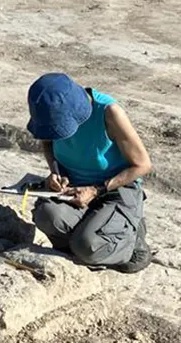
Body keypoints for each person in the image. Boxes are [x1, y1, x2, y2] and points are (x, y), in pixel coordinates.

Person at [26, 73, 153, 273]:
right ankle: (90, 241)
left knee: (88, 246)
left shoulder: (110, 112)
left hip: (115, 189)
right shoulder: (49, 110)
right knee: (46, 216)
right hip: (73, 189)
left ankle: (132, 243)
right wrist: (55, 171)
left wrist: (96, 190)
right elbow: (47, 142)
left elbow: (142, 165)